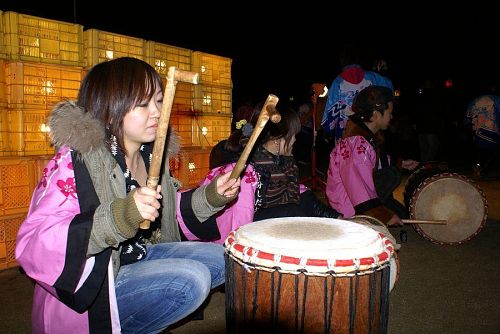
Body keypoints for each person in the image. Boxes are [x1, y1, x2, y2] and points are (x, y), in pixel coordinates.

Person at [15, 57, 241, 333]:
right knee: (190, 281)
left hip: (139, 256)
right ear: (111, 108)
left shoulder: (151, 156)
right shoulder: (77, 162)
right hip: (100, 282)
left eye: (159, 101)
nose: (157, 112)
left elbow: (166, 213)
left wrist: (212, 196)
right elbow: (33, 243)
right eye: (143, 104)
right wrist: (120, 216)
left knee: (225, 259)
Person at [189, 105, 341, 243]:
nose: (295, 139)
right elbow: (238, 221)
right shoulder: (246, 170)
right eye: (293, 134)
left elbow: (303, 195)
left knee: (298, 208)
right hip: (237, 234)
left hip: (258, 225)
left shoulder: (282, 163)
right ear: (278, 139)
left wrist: (338, 219)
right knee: (295, 212)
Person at [326, 85, 419, 227]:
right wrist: (379, 215)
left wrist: (400, 163)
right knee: (391, 179)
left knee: (393, 179)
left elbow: (373, 161)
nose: (391, 116)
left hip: (352, 201)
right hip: (350, 209)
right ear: (376, 114)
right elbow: (358, 186)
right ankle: (364, 220)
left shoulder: (364, 139)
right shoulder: (356, 145)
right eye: (389, 113)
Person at [322, 44, 394, 144]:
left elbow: (331, 110)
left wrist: (327, 132)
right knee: (370, 155)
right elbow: (389, 90)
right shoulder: (373, 77)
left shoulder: (338, 82)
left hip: (346, 131)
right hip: (369, 127)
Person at [465, 93, 500, 178]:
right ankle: (482, 169)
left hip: (477, 132)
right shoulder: (496, 100)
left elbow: (467, 117)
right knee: (492, 152)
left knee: (480, 152)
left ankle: (478, 166)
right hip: (491, 132)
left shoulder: (474, 101)